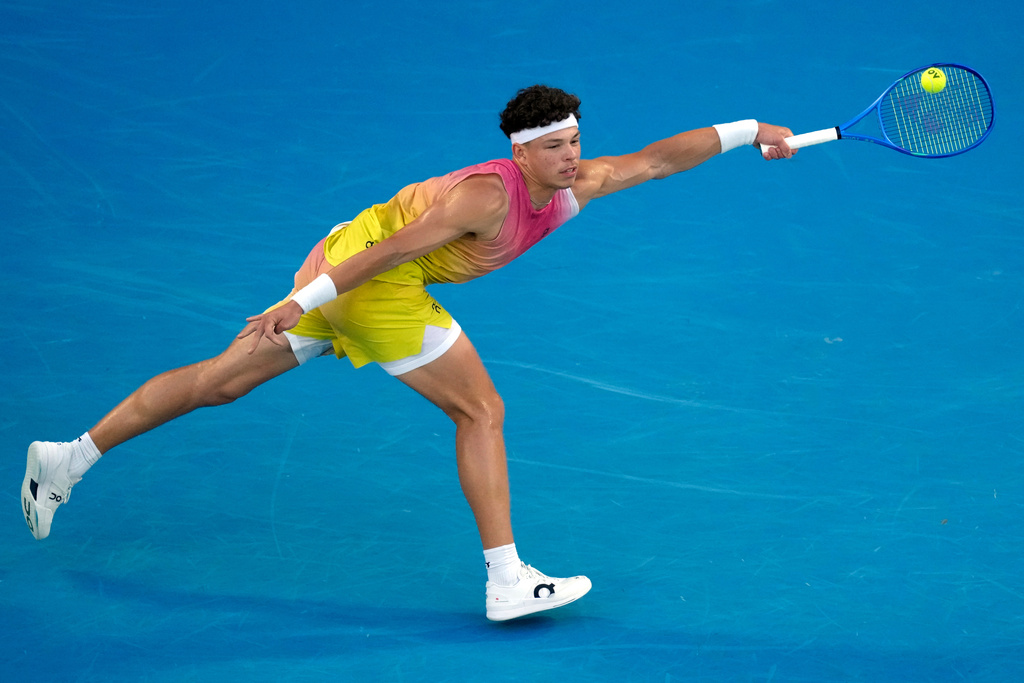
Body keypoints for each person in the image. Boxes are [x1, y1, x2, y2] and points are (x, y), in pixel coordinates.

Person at [21, 84, 794, 621]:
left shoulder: (575, 184)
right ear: (520, 153)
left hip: (341, 253)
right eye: (555, 147)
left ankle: (68, 457)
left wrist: (750, 131)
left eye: (576, 142)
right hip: (366, 277)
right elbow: (389, 252)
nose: (572, 157)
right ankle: (506, 579)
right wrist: (302, 301)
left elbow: (660, 158)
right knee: (481, 408)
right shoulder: (482, 198)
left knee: (219, 382)